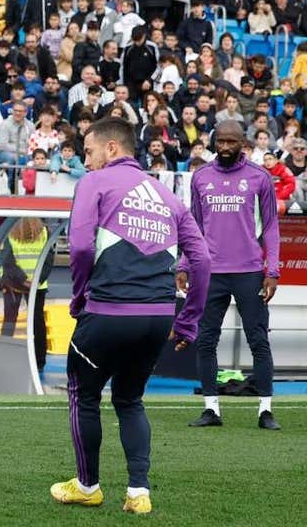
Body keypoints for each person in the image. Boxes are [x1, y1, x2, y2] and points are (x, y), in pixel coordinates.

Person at [51, 117, 209, 514]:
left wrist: (79, 296)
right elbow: (203, 259)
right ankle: (139, 492)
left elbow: (82, 248)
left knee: (83, 394)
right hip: (158, 317)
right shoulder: (168, 196)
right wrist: (187, 320)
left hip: (108, 311)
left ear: (111, 149)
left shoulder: (94, 183)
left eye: (87, 152)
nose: (85, 161)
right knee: (130, 399)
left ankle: (87, 486)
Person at [179, 121, 281, 430]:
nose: (225, 147)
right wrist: (184, 264)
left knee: (258, 340)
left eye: (231, 142)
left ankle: (265, 411)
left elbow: (272, 226)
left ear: (242, 143)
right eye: (220, 141)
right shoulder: (201, 177)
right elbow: (193, 227)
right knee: (206, 341)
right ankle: (212, 409)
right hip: (209, 273)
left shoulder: (260, 177)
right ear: (213, 142)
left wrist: (272, 270)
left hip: (250, 271)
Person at [0, 217, 54, 372]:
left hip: (13, 283)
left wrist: (23, 280)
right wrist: (36, 280)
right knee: (37, 322)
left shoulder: (9, 232)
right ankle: (39, 361)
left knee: (9, 320)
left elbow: (7, 262)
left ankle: (3, 357)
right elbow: (49, 260)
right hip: (37, 285)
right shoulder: (45, 232)